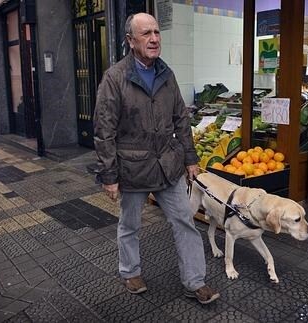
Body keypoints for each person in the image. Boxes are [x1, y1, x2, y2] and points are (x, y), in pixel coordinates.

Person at [93, 13, 219, 305]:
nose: (153, 39)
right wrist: (109, 176)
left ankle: (195, 282)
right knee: (130, 225)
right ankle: (131, 272)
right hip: (133, 168)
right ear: (130, 41)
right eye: (146, 33)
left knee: (184, 221)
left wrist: (190, 158)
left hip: (167, 165)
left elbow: (181, 120)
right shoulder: (115, 78)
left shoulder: (166, 74)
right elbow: (104, 130)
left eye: (157, 32)